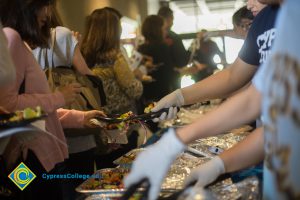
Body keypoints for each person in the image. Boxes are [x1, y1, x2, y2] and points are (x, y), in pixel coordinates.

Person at [124, 0, 281, 199]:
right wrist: (180, 97)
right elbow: (242, 85)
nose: (248, 3)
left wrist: (177, 141)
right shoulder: (266, 19)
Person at [0, 0, 105, 199]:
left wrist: (79, 118)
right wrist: (58, 97)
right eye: (44, 6)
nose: (47, 14)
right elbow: (8, 107)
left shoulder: (20, 43)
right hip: (27, 158)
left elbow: (34, 112)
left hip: (35, 156)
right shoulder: (12, 38)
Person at [150, 0, 276, 122]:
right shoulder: (262, 22)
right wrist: (180, 96)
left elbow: (244, 88)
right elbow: (232, 76)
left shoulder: (285, 17)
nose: (248, 5)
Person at [81, 8, 143, 169]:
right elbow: (134, 90)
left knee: (104, 172)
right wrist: (138, 79)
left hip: (97, 127)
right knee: (124, 173)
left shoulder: (82, 58)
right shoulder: (115, 57)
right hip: (121, 127)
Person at [158, 6, 189, 89]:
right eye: (172, 18)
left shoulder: (150, 38)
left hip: (155, 83)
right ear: (169, 19)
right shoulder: (175, 37)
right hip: (173, 80)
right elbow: (182, 62)